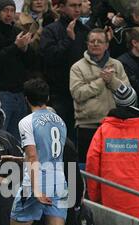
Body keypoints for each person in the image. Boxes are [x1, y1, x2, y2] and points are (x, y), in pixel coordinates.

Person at [8, 78, 78, 225]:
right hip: (59, 180)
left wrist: (36, 190)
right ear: (47, 97)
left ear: (26, 99)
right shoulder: (59, 120)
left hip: (39, 180)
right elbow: (50, 153)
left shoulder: (27, 121)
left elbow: (33, 157)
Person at [86, 85, 139, 220]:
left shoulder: (103, 131)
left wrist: (95, 194)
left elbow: (92, 164)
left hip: (110, 195)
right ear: (135, 103)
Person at [70, 28, 132, 163]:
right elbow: (78, 93)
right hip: (87, 126)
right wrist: (101, 81)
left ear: (107, 45)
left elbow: (127, 94)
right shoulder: (77, 67)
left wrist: (112, 80)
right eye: (92, 41)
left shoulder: (117, 65)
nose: (95, 44)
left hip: (114, 125)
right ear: (87, 44)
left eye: (100, 41)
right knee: (87, 165)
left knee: (113, 165)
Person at [0, 0, 35, 139]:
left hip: (20, 93)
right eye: (5, 10)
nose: (9, 14)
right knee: (0, 137)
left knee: (18, 139)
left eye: (11, 10)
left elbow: (32, 63)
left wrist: (25, 49)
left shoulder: (18, 32)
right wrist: (15, 47)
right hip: (1, 92)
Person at [40, 0, 89, 141]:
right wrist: (68, 40)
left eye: (79, 5)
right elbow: (49, 58)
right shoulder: (50, 30)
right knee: (59, 139)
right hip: (59, 93)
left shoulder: (85, 31)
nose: (77, 9)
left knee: (80, 140)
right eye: (73, 6)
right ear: (61, 7)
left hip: (82, 94)